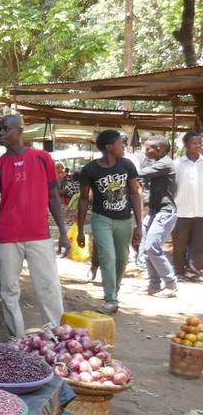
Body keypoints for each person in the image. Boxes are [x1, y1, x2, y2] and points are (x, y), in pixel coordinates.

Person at [0, 115, 70, 338]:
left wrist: (63, 233)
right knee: (9, 291)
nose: (0, 133)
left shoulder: (42, 158)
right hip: (7, 238)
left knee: (49, 288)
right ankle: (17, 340)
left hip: (40, 235)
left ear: (20, 130)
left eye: (4, 129)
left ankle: (56, 338)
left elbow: (53, 198)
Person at [76, 130, 144, 314]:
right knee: (108, 256)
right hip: (101, 218)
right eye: (120, 143)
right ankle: (111, 299)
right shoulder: (90, 170)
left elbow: (134, 193)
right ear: (109, 147)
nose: (124, 146)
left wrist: (139, 223)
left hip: (124, 219)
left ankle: (114, 289)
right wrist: (80, 230)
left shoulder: (127, 165)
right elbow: (83, 199)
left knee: (122, 260)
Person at [136, 135, 178, 297]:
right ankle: (154, 284)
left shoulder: (164, 164)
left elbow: (140, 174)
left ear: (158, 149)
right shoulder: (157, 163)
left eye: (148, 149)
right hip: (154, 212)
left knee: (151, 247)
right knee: (146, 249)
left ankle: (171, 284)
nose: (145, 151)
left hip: (164, 212)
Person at [172, 131, 203, 282]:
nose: (198, 145)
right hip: (181, 211)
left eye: (199, 142)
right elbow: (172, 187)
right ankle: (178, 271)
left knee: (198, 245)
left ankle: (193, 273)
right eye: (194, 143)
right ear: (186, 145)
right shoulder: (177, 164)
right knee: (179, 245)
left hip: (201, 212)